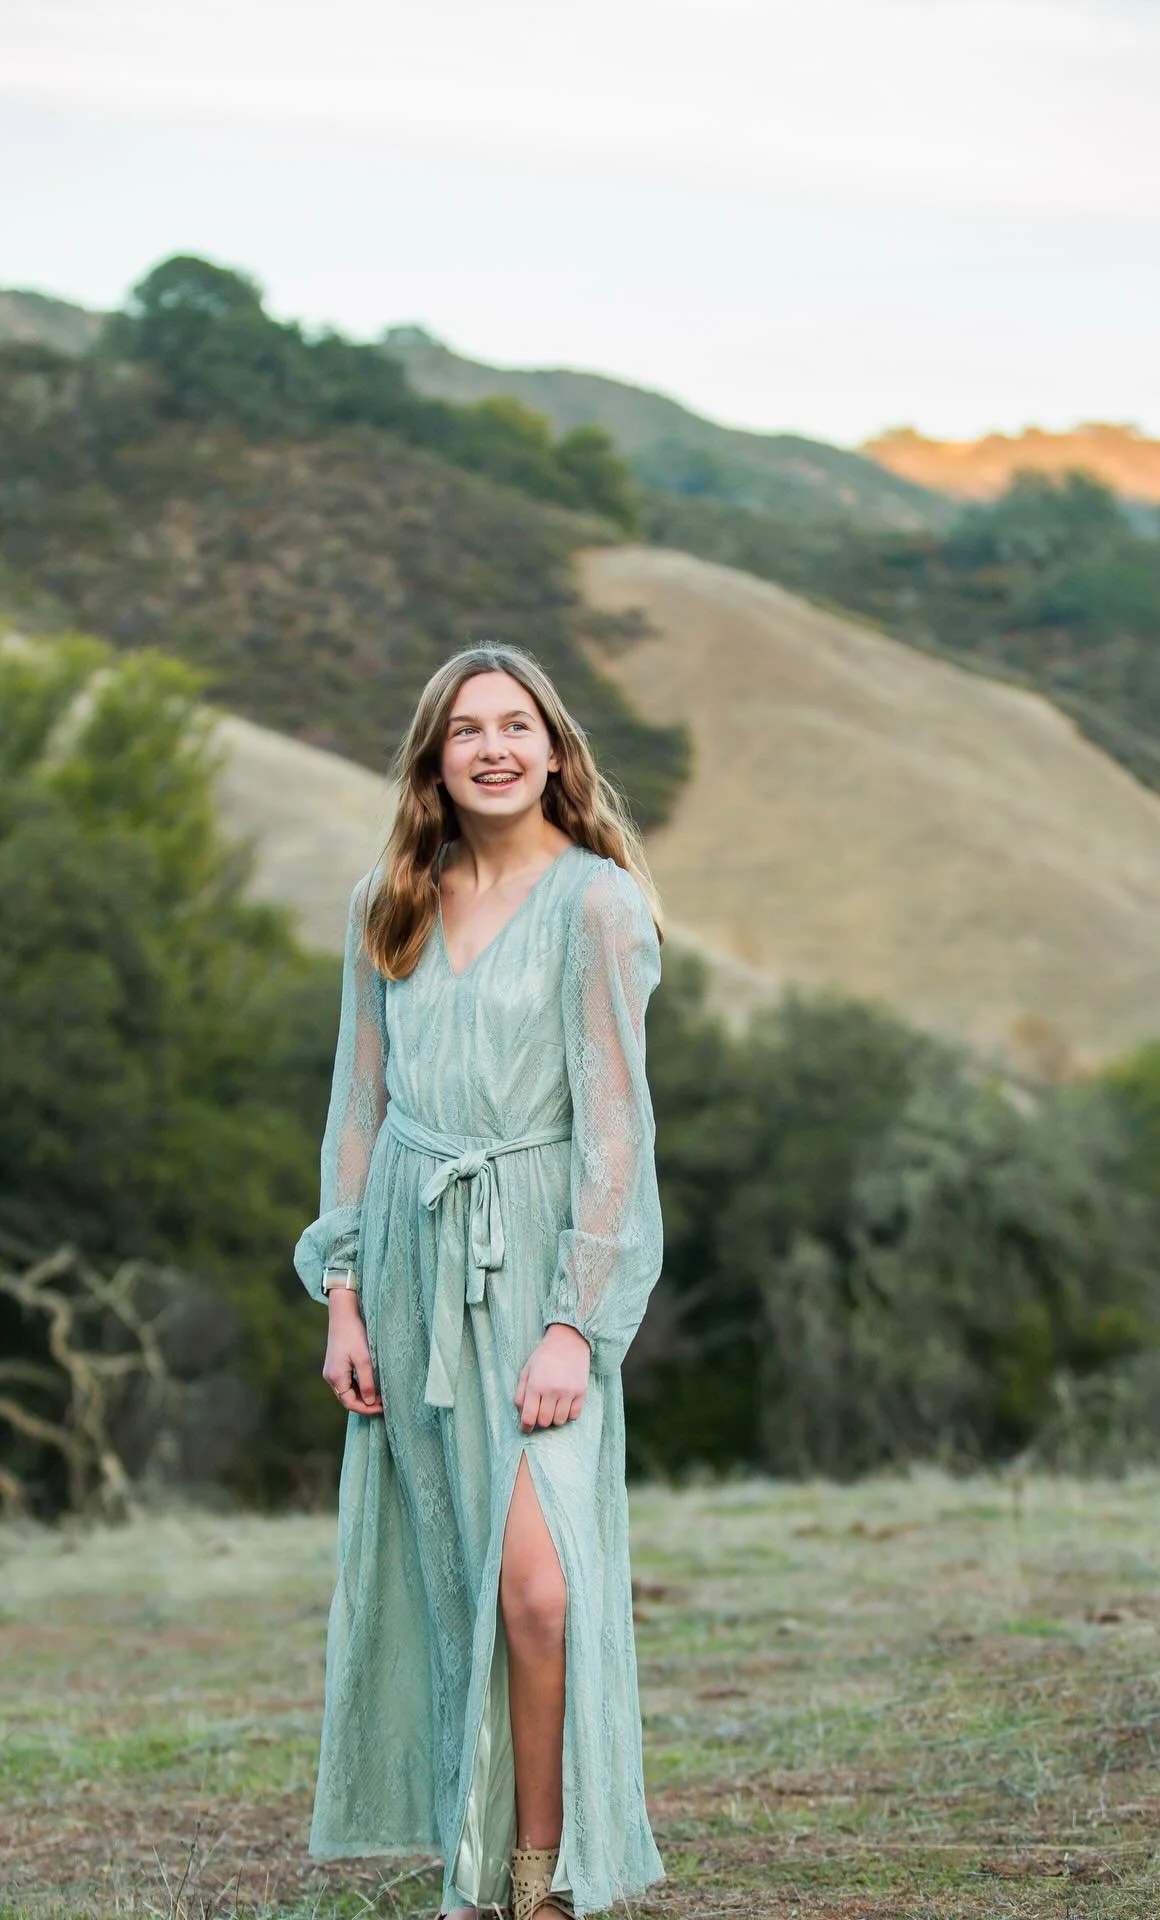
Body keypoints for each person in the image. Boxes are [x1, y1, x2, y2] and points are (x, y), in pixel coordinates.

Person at [294, 643, 667, 1920]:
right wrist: (342, 1293)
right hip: (404, 1261)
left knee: (541, 1586)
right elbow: (359, 1107)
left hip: (536, 1277)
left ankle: (538, 1876)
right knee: (452, 1574)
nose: (495, 747)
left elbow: (617, 1135)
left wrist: (577, 1322)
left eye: (518, 726)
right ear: (434, 759)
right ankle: (471, 1850)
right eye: (468, 730)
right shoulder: (387, 900)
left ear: (556, 751)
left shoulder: (600, 906)